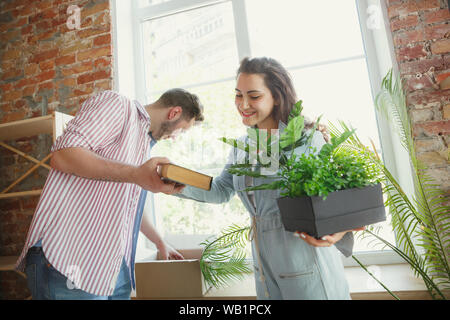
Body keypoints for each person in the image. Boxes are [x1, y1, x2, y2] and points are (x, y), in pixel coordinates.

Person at [175, 57, 364, 300]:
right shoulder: (244, 146)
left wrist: (337, 232)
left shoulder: (306, 139)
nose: (243, 105)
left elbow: (342, 197)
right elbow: (222, 189)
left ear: (276, 97)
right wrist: (178, 184)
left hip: (307, 265)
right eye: (238, 95)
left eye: (254, 96)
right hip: (264, 268)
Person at [15, 88, 204, 300]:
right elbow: (63, 155)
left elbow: (127, 205)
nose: (176, 138)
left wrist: (160, 242)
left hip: (112, 269)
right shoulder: (118, 105)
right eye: (183, 131)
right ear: (174, 113)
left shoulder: (143, 144)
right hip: (70, 259)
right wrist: (135, 174)